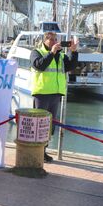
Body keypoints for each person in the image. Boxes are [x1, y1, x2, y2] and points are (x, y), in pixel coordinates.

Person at [30, 31, 78, 162]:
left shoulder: (61, 55)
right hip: (42, 94)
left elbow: (71, 66)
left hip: (56, 94)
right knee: (39, 124)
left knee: (50, 126)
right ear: (44, 40)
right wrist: (51, 53)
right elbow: (39, 65)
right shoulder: (36, 52)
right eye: (51, 40)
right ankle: (36, 152)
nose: (54, 42)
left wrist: (74, 52)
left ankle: (43, 150)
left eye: (55, 40)